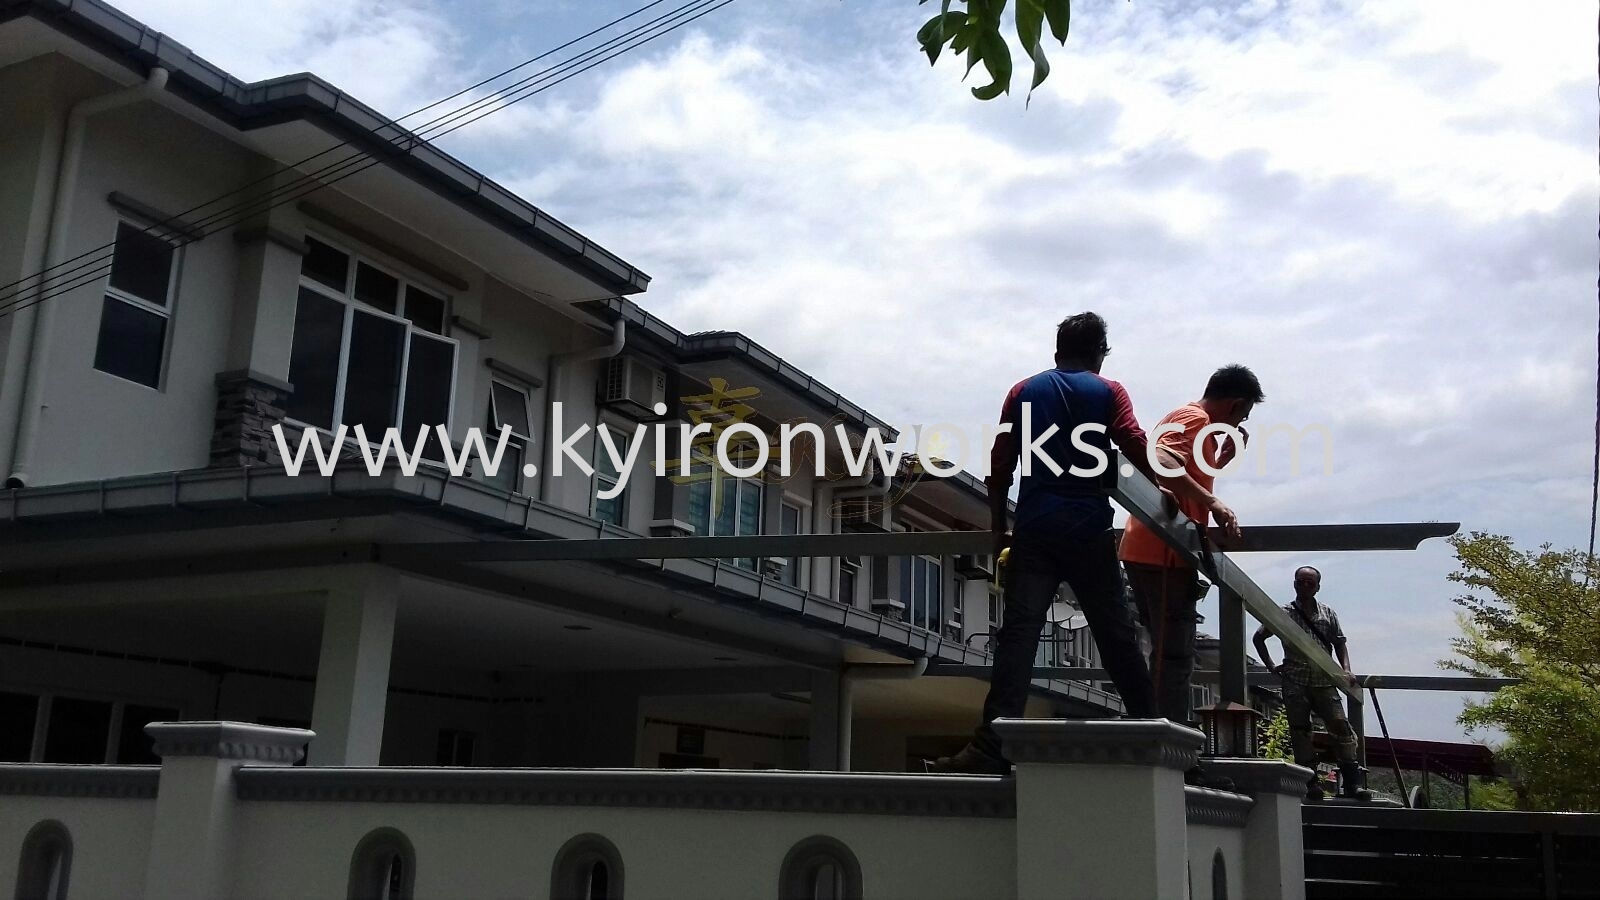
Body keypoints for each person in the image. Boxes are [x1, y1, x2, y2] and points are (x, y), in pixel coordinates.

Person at [930, 313, 1160, 775]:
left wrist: (999, 526)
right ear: (1099, 354)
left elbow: (1001, 464)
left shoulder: (1022, 391)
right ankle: (1157, 735)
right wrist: (1164, 491)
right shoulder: (1109, 391)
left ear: (1057, 352)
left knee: (1018, 635)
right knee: (1116, 636)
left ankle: (992, 745)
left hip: (1035, 530)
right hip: (1089, 530)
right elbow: (1133, 442)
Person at [1117, 366, 1260, 731]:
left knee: (1170, 652)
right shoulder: (1194, 419)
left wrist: (1217, 459)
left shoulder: (1195, 424)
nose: (1240, 422)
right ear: (1235, 405)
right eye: (1243, 414)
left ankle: (1158, 731)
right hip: (1161, 551)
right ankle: (1162, 738)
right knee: (1174, 656)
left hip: (1155, 549)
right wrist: (1213, 502)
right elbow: (1161, 461)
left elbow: (1182, 473)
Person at [1252, 565, 1366, 800]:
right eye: (1300, 582)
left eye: (1310, 583)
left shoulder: (1327, 613)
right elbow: (1259, 637)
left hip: (1324, 679)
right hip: (1295, 679)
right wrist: (1271, 666)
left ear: (1317, 587)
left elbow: (1339, 642)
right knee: (1300, 731)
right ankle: (1310, 782)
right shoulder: (1283, 612)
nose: (1304, 586)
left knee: (1340, 726)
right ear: (1294, 584)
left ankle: (1352, 783)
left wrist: (1346, 669)